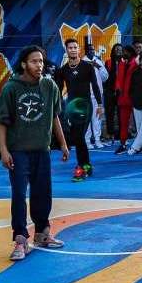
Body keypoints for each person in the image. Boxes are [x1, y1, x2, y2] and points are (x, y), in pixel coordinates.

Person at [0, 45, 70, 261]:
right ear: (23, 64)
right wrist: (3, 150)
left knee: (42, 192)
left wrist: (63, 144)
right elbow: (2, 121)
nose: (39, 65)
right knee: (19, 194)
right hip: (19, 151)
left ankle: (42, 232)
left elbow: (54, 116)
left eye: (41, 61)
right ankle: (20, 239)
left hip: (42, 150)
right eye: (34, 61)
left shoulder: (49, 86)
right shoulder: (11, 88)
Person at [51, 38, 99, 181]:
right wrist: (55, 104)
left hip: (86, 106)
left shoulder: (88, 67)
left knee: (78, 137)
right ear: (66, 50)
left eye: (75, 47)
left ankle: (80, 167)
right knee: (78, 138)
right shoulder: (63, 70)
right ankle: (87, 165)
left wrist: (101, 105)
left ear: (79, 50)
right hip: (72, 107)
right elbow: (58, 90)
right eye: (70, 47)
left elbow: (95, 86)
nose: (72, 49)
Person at [111, 44, 138, 151]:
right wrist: (118, 88)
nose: (123, 53)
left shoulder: (136, 63)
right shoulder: (122, 63)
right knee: (123, 122)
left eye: (125, 51)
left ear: (130, 52)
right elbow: (119, 78)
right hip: (124, 98)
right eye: (122, 51)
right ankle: (123, 144)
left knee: (140, 123)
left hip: (135, 97)